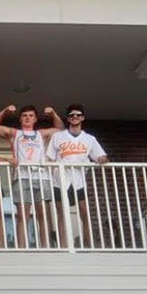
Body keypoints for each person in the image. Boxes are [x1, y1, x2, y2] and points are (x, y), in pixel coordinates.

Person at [0, 104, 64, 248]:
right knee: (23, 216)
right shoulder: (15, 134)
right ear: (20, 119)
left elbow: (60, 129)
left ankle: (46, 248)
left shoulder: (41, 134)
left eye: (31, 116)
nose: (27, 118)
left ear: (35, 119)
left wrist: (53, 114)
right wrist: (4, 111)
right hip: (21, 177)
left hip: (41, 176)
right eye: (24, 116)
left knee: (43, 215)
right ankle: (22, 249)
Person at [46, 103, 108, 247]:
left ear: (82, 118)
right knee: (61, 212)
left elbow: (101, 156)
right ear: (68, 119)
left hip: (79, 180)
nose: (75, 117)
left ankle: (89, 245)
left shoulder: (89, 139)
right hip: (60, 179)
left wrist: (102, 159)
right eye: (71, 115)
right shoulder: (58, 136)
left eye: (78, 115)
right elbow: (50, 158)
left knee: (84, 212)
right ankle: (63, 246)